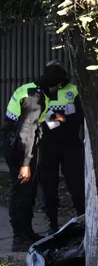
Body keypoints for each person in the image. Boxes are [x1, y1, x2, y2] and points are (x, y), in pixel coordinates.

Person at [0, 63, 70, 251]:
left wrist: (55, 120)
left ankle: (27, 232)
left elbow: (37, 124)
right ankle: (18, 238)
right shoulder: (35, 99)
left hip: (20, 144)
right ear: (56, 86)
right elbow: (26, 133)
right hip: (18, 148)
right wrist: (25, 163)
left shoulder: (35, 91)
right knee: (21, 192)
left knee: (29, 191)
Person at [38, 80, 85, 235]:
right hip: (47, 146)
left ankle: (82, 220)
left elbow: (81, 115)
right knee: (48, 186)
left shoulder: (74, 91)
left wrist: (64, 118)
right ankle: (52, 224)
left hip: (70, 146)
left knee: (76, 184)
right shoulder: (40, 91)